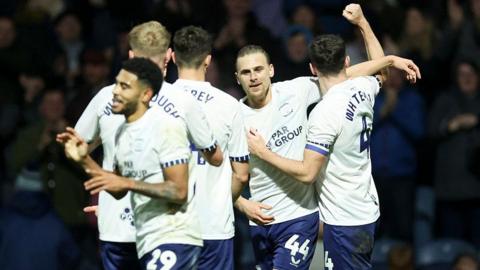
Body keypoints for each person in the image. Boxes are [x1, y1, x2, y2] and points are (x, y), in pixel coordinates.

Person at [234, 4, 417, 269]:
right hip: (356, 209)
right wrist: (383, 52)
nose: (253, 77)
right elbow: (367, 75)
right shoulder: (360, 88)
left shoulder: (313, 106)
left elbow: (308, 173)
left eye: (258, 70)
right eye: (246, 72)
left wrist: (263, 153)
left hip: (329, 219)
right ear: (346, 61)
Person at [62, 21, 222, 270]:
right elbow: (215, 158)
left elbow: (77, 148)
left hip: (130, 230)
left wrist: (106, 179)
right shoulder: (184, 103)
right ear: (168, 56)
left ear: (131, 56)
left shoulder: (105, 98)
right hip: (161, 230)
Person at [171, 25, 250, 270]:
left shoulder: (156, 102)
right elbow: (241, 174)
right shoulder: (229, 105)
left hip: (169, 228)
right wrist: (222, 202)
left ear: (173, 57)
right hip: (215, 226)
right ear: (208, 59)